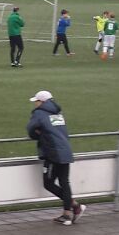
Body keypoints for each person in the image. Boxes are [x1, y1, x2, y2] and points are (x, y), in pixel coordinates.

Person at [26, 90, 79, 225]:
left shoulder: (39, 113)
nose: (35, 104)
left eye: (36, 101)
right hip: (65, 150)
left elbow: (31, 130)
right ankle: (69, 212)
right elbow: (58, 130)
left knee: (48, 183)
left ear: (42, 102)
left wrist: (38, 135)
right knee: (64, 182)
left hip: (53, 152)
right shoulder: (57, 113)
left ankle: (73, 206)